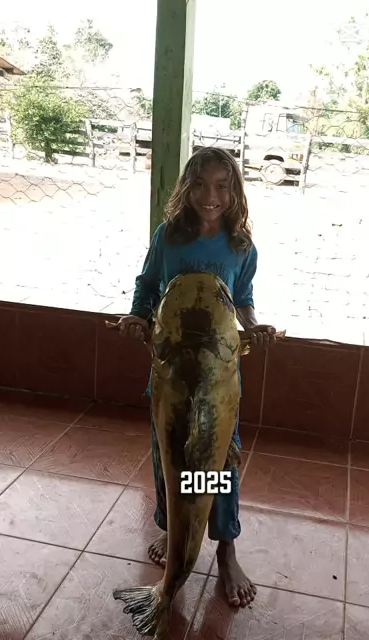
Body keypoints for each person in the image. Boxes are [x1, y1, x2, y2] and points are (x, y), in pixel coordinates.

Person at [118, 146, 276, 608]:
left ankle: (226, 549)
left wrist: (253, 326)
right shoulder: (169, 236)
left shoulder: (241, 246)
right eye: (202, 185)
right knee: (171, 458)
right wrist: (137, 316)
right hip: (170, 375)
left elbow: (241, 299)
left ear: (234, 192)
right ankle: (174, 532)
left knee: (216, 467)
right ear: (187, 187)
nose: (211, 196)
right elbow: (148, 285)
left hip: (218, 384)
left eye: (222, 187)